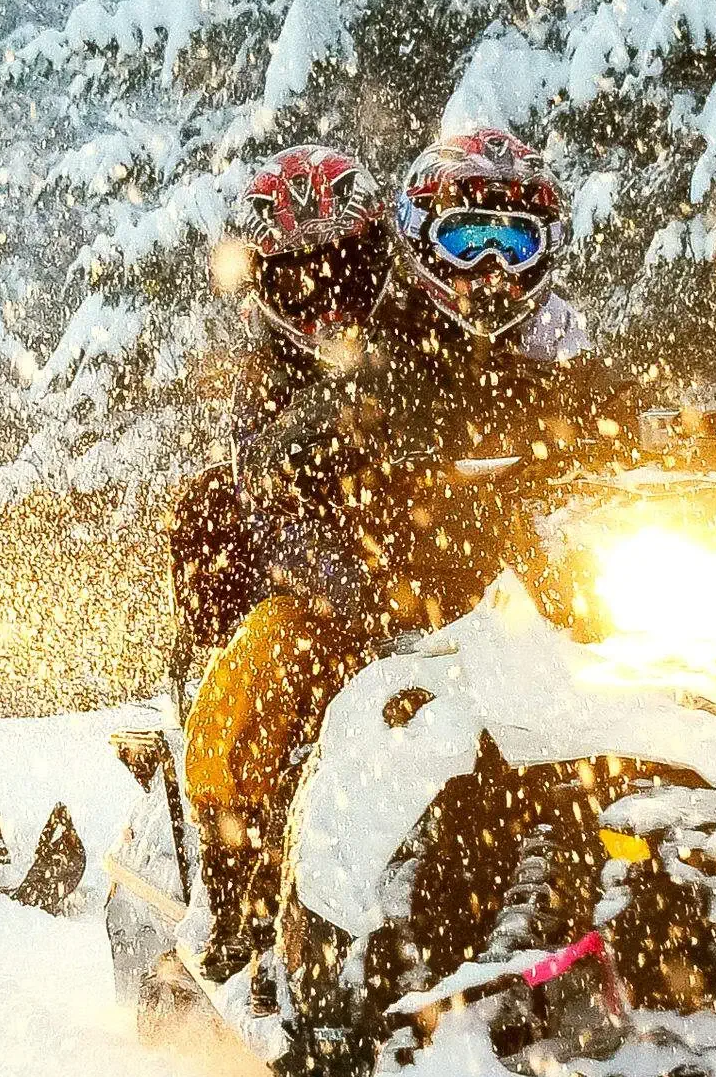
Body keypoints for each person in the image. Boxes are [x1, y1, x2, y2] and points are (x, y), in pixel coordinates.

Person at [183, 129, 638, 977]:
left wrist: (691, 431)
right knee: (277, 658)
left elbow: (592, 395)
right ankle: (243, 878)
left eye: (515, 241)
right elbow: (292, 450)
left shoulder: (548, 334)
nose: (492, 266)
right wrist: (341, 435)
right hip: (369, 562)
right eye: (470, 239)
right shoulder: (389, 340)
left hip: (509, 566)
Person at [168, 144, 394, 667]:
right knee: (209, 510)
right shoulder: (261, 378)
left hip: (446, 554)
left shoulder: (422, 329)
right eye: (299, 281)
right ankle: (225, 715)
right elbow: (263, 487)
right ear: (264, 287)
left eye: (346, 266)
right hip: (330, 599)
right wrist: (325, 426)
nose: (329, 298)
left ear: (378, 256)